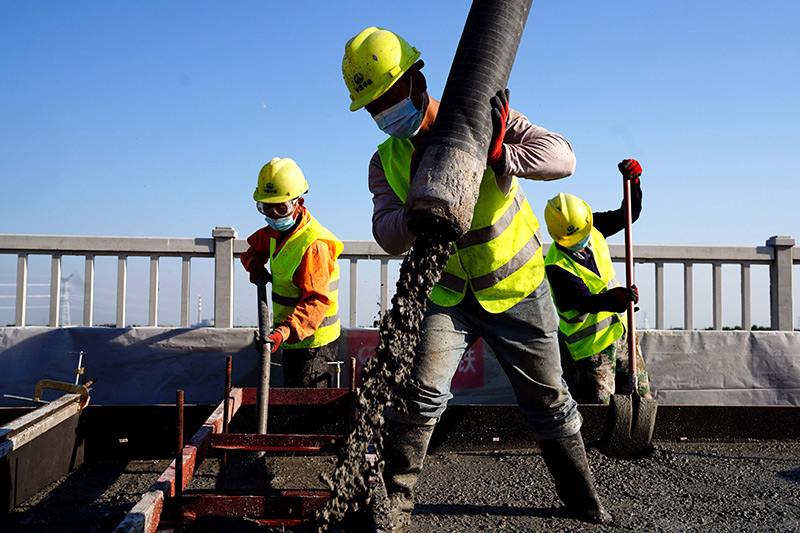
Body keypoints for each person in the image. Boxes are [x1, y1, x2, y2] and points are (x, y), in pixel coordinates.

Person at [341, 27, 611, 529]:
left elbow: (563, 158)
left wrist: (497, 151)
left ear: (417, 80)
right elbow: (387, 233)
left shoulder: (486, 121)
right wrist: (417, 208)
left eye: (390, 97)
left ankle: (585, 503)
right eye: (374, 107)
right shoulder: (386, 162)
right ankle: (395, 505)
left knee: (547, 398)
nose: (384, 113)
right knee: (420, 391)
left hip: (516, 291)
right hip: (445, 295)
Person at [543, 159, 652, 404]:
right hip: (592, 350)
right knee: (600, 407)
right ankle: (596, 443)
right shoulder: (556, 265)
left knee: (640, 398)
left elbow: (628, 214)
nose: (582, 240)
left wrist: (634, 182)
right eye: (574, 239)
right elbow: (583, 302)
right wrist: (615, 299)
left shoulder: (593, 228)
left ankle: (638, 442)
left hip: (622, 332)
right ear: (559, 237)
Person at [240, 157, 343, 388]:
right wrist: (254, 266)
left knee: (307, 406)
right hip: (291, 337)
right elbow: (253, 250)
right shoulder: (275, 233)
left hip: (314, 345)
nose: (274, 214)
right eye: (266, 207)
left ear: (298, 203)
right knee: (293, 393)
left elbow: (316, 302)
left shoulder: (313, 245)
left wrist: (283, 332)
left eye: (281, 207)